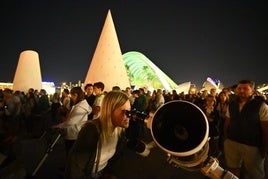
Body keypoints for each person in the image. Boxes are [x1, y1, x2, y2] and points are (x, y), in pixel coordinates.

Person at [65, 90, 150, 179]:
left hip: (102, 172)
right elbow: (75, 167)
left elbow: (116, 158)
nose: (129, 116)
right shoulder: (91, 130)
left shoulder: (119, 130)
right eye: (125, 112)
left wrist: (110, 173)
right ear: (110, 110)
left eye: (130, 111)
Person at [223, 80, 268, 179]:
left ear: (252, 91)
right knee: (232, 170)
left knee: (255, 173)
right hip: (232, 142)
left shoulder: (261, 106)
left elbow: (266, 129)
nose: (241, 91)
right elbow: (227, 123)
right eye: (239, 88)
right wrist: (226, 139)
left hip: (252, 145)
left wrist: (264, 148)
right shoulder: (232, 105)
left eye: (245, 88)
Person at [52, 87, 92, 155]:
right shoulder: (81, 106)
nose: (71, 98)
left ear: (76, 95)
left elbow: (71, 122)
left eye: (72, 96)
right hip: (75, 133)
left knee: (70, 153)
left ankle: (70, 165)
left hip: (73, 134)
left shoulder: (80, 108)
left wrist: (58, 126)